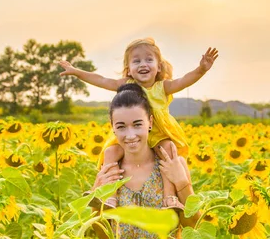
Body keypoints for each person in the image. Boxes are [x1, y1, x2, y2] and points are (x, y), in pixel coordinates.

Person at [60, 37, 218, 209]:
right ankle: (110, 197)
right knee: (111, 152)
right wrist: (77, 72)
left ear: (159, 66)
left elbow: (184, 81)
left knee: (168, 151)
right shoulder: (127, 84)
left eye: (149, 59)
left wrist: (201, 69)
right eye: (137, 61)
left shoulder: (163, 87)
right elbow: (102, 80)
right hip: (133, 134)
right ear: (128, 69)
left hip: (159, 133)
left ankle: (170, 198)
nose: (143, 64)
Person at [90, 83, 200, 238]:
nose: (130, 135)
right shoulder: (110, 169)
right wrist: (97, 192)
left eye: (137, 124)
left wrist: (181, 182)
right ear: (112, 127)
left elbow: (195, 226)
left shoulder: (172, 164)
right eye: (121, 127)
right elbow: (101, 232)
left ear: (150, 122)